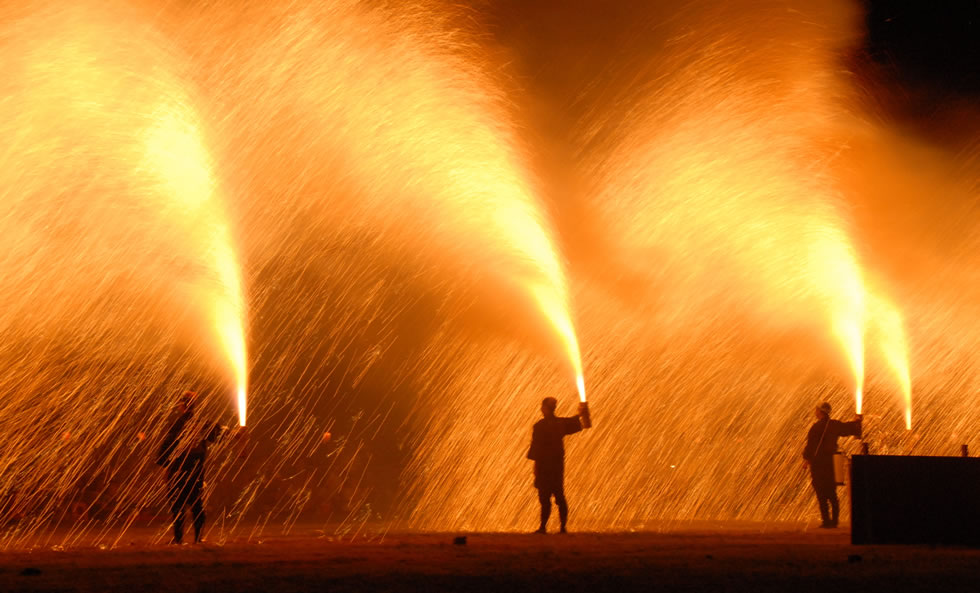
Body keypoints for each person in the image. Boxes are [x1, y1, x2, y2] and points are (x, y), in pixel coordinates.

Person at [156, 391, 227, 544]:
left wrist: (166, 466)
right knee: (196, 504)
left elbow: (167, 447)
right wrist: (234, 433)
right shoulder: (201, 423)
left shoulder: (177, 424)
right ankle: (198, 538)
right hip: (196, 470)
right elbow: (219, 433)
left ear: (182, 406)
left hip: (179, 471)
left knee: (177, 505)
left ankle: (179, 538)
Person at [527, 397, 586, 534]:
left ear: (545, 408)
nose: (541, 409)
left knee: (544, 498)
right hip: (557, 466)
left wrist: (535, 469)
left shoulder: (539, 426)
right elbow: (575, 422)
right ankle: (563, 527)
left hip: (544, 466)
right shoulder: (560, 423)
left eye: (542, 407)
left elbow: (536, 450)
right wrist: (581, 414)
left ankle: (543, 527)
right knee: (559, 496)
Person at [802, 402, 861, 528]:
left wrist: (806, 459)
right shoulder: (834, 425)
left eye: (816, 410)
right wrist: (856, 422)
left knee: (821, 492)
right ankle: (835, 521)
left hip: (818, 463)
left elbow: (811, 446)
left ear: (820, 412)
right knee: (832, 492)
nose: (815, 412)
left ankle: (826, 521)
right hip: (831, 462)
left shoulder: (816, 427)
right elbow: (846, 429)